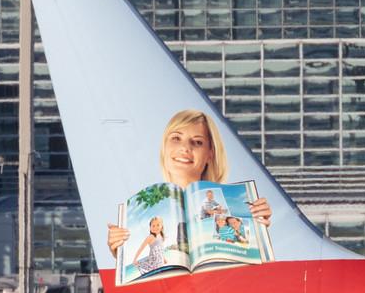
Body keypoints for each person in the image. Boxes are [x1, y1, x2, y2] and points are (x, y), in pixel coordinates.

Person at [105, 110, 272, 256]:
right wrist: (120, 251)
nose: (185, 148)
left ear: (210, 154)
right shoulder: (140, 212)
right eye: (176, 138)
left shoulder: (236, 203)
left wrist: (260, 229)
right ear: (164, 147)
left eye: (197, 142)